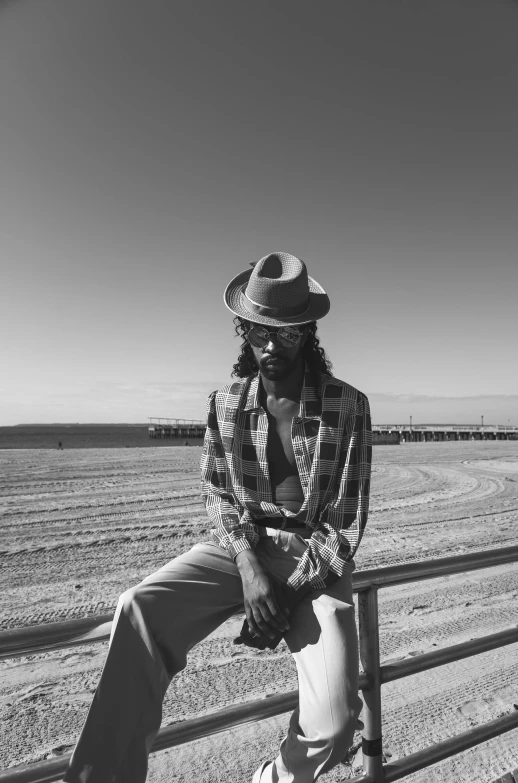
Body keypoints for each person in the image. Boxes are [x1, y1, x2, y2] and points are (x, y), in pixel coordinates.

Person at [64, 251, 372, 783]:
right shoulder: (223, 402)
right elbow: (219, 495)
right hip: (243, 549)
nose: (271, 346)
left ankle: (272, 778)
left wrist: (285, 597)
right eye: (257, 331)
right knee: (137, 607)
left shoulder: (349, 405)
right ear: (243, 329)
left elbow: (346, 519)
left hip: (315, 562)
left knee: (336, 723)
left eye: (286, 334)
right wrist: (251, 570)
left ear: (307, 331)